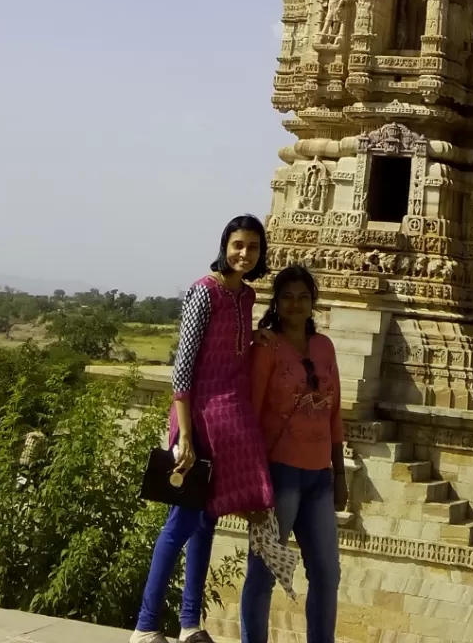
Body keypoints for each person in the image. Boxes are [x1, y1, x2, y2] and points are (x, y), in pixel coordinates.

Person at [131, 215, 276, 643]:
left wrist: (258, 343)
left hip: (226, 420)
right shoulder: (204, 291)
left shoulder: (246, 297)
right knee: (181, 521)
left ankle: (190, 623)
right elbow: (184, 371)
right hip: (195, 419)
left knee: (206, 523)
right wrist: (185, 438)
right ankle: (144, 626)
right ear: (224, 246)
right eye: (237, 245)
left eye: (252, 246)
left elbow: (232, 353)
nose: (243, 254)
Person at [241, 265, 346, 643]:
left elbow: (335, 412)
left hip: (319, 476)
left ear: (313, 302)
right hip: (279, 472)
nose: (296, 304)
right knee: (265, 570)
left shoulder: (325, 347)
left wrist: (340, 473)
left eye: (303, 296)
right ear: (277, 303)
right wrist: (253, 480)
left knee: (326, 573)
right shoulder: (267, 348)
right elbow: (251, 414)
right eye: (287, 296)